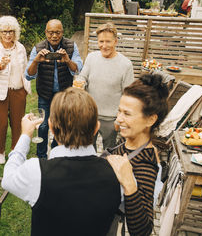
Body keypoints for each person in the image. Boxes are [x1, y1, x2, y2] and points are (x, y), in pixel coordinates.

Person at [2, 88, 121, 235]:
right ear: (96, 127)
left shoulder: (36, 171)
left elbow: (7, 178)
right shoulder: (118, 173)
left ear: (51, 126)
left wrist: (25, 135)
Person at [106, 74, 169, 235]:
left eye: (127, 114)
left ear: (150, 120)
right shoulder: (130, 141)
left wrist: (129, 184)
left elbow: (143, 230)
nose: (119, 119)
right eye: (119, 111)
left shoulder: (145, 165)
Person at [25, 19, 83, 158]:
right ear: (46, 33)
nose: (54, 36)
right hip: (45, 93)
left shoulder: (71, 45)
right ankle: (42, 156)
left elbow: (78, 69)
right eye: (51, 33)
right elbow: (28, 75)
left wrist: (67, 60)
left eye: (57, 32)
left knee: (61, 126)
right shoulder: (38, 48)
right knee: (43, 126)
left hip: (64, 95)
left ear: (62, 32)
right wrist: (36, 61)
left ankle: (57, 153)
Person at [79, 22, 134, 150]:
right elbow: (83, 77)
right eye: (101, 41)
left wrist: (120, 118)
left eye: (108, 42)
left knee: (108, 152)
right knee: (87, 149)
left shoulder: (126, 64)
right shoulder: (91, 57)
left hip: (111, 119)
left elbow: (128, 96)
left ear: (116, 41)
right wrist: (80, 82)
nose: (104, 46)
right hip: (90, 115)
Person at [0, 16, 31, 164]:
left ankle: (15, 150)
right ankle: (1, 151)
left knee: (17, 124)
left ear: (15, 32)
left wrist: (25, 89)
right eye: (4, 31)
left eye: (11, 31)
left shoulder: (20, 48)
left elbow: (25, 68)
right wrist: (1, 65)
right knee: (0, 124)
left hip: (18, 91)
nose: (8, 35)